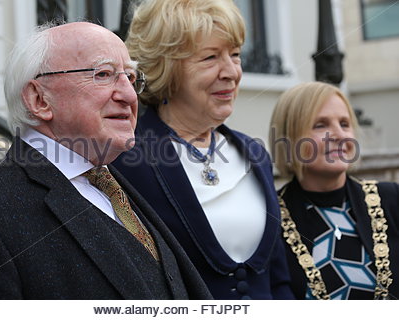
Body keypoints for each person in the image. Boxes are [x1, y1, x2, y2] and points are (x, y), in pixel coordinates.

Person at [0, 21, 212, 300]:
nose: (128, 95)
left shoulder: (115, 185)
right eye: (103, 74)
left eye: (131, 78)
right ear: (39, 99)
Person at [112, 0, 293, 299]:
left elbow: (278, 279)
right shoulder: (125, 160)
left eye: (235, 55)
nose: (231, 72)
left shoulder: (254, 154)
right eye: (210, 57)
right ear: (166, 67)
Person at [269, 81, 399, 300]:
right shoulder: (270, 218)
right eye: (321, 125)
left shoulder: (390, 199)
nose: (339, 135)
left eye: (345, 124)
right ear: (289, 138)